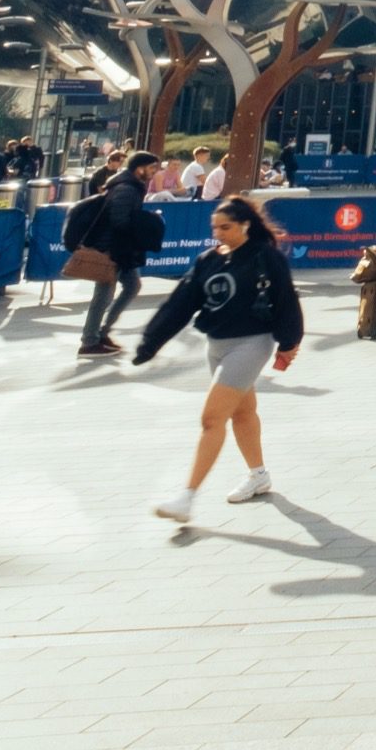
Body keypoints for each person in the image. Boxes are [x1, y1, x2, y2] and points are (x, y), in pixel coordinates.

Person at [133, 196, 304, 522]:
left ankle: (187, 497)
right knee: (243, 412)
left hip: (251, 343)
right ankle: (259, 475)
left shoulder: (265, 256)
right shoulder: (208, 260)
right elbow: (180, 304)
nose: (219, 233)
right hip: (217, 344)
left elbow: (285, 297)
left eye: (226, 227)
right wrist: (150, 342)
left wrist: (289, 341)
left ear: (245, 225)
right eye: (215, 228)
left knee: (212, 418)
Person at [76, 150, 162, 357]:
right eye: (152, 168)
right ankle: (89, 341)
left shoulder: (131, 186)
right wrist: (145, 222)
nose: (154, 173)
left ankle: (101, 333)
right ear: (139, 168)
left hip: (121, 248)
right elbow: (119, 220)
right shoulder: (126, 189)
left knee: (132, 286)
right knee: (103, 295)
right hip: (111, 249)